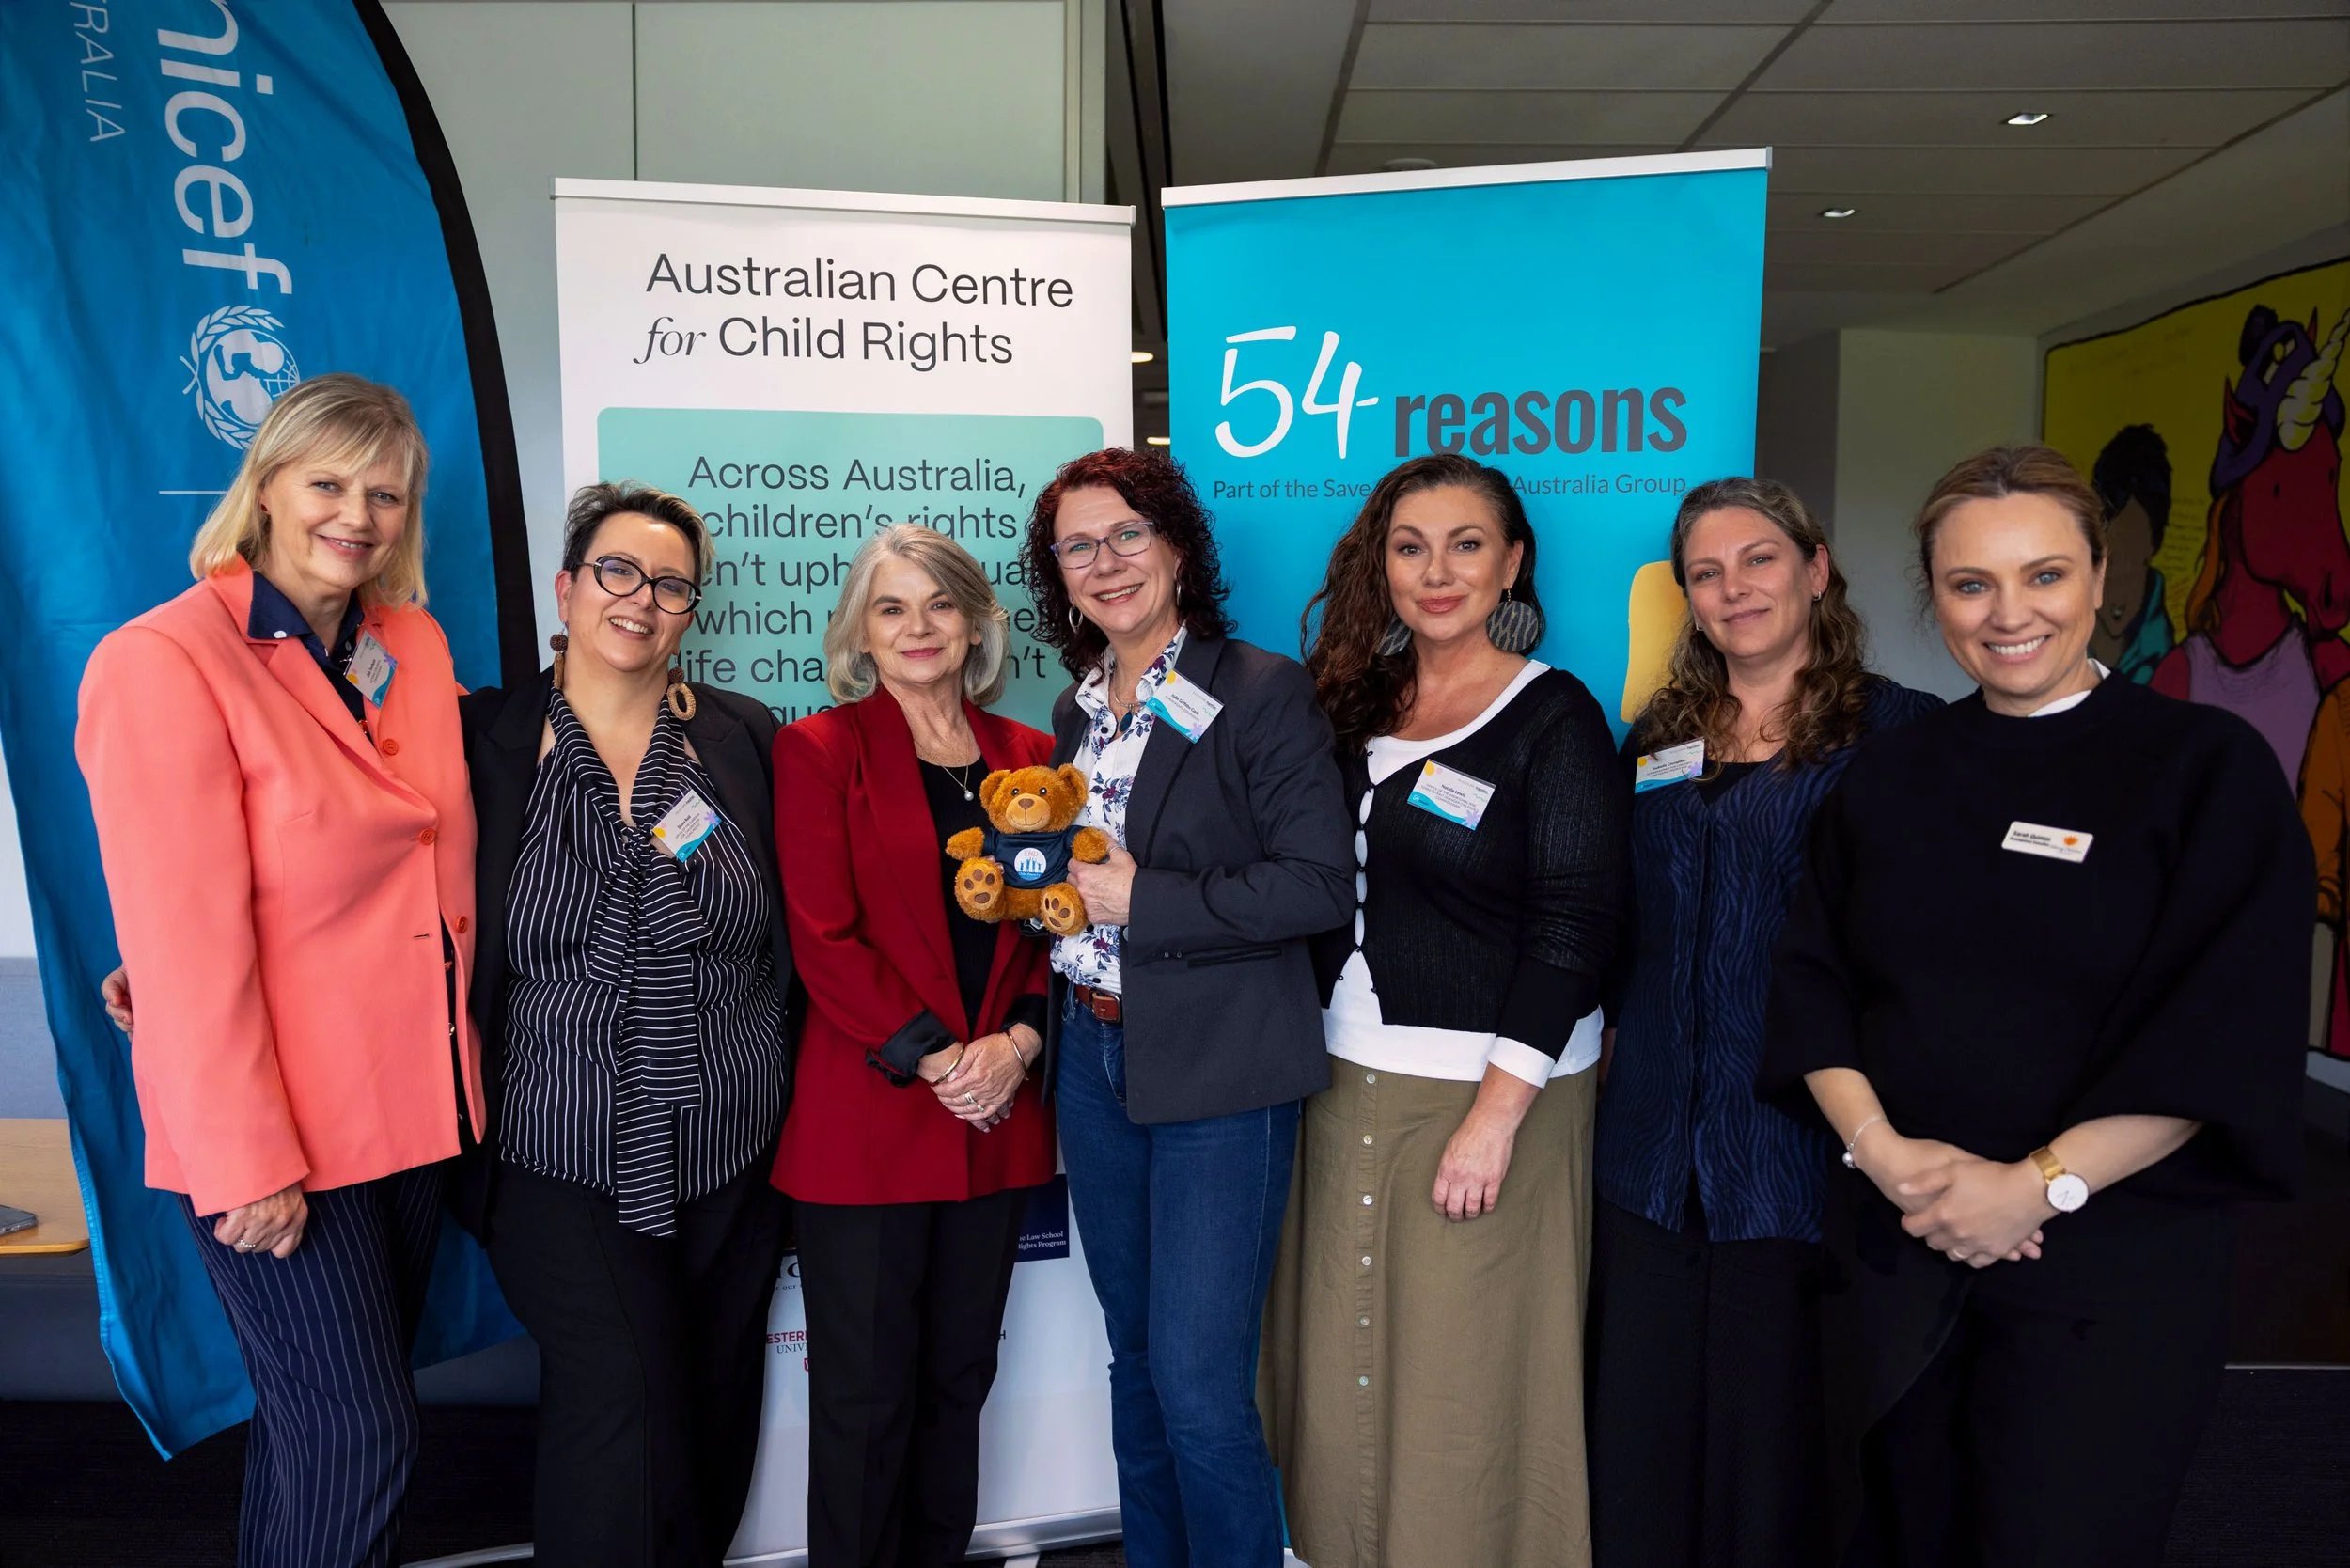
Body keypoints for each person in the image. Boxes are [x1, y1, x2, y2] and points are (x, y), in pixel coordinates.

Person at [1758, 446, 2311, 1567]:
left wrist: (2036, 1187)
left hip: (2112, 1269)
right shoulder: (1891, 775)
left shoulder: (2203, 768)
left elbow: (2219, 1024)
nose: (2009, 614)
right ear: (1934, 596)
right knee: (1897, 1530)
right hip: (1903, 1245)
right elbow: (1813, 977)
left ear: (2100, 577)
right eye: (1971, 585)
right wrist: (1882, 1154)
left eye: (2044, 576)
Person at [78, 374, 479, 1568]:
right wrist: (242, 1160)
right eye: (329, 483)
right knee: (357, 1432)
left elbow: (420, 837)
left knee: (322, 1437)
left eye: (386, 494)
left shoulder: (409, 642)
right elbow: (187, 935)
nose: (357, 514)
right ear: (264, 488)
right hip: (278, 1133)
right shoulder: (163, 660)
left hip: (417, 1108)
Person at [1262, 453, 1627, 1568]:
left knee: (1463, 1379)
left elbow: (1574, 924)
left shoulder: (1550, 715)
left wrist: (1495, 1114)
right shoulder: (1349, 702)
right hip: (1340, 1084)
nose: (1436, 571)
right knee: (1341, 1360)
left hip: (1488, 1097)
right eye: (1410, 545)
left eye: (1466, 544)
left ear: (1511, 560)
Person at [1585, 478, 1939, 1568]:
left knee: (1777, 1439)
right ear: (1686, 597)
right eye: (1706, 571)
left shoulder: (1898, 734)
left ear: (1814, 570)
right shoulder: (1659, 732)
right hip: (1646, 1140)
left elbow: (1926, 950)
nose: (1733, 588)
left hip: (1799, 1145)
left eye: (1759, 560)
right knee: (1639, 1426)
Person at [1021, 447, 1352, 1568]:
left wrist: (1137, 897)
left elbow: (1316, 886)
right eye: (1078, 544)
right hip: (1094, 1062)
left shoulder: (1259, 689)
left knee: (1204, 1389)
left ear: (1174, 547)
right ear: (1056, 570)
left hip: (1222, 1074)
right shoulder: (1071, 714)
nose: (1106, 562)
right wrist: (1057, 912)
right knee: (1139, 1365)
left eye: (1127, 535)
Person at [458, 483, 793, 1567]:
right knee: (624, 1406)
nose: (641, 600)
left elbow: (806, 919)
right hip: (559, 1150)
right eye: (617, 571)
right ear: (566, 587)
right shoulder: (482, 740)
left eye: (670, 584)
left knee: (709, 1412)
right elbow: (349, 873)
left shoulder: (739, 740)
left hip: (731, 1150)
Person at [771, 525, 1057, 1568]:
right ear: (860, 630)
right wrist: (942, 1060)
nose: (918, 627)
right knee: (863, 1396)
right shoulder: (819, 751)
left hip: (995, 1120)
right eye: (891, 608)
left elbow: (1053, 933)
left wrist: (1018, 1046)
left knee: (956, 1381)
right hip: (873, 1125)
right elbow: (823, 937)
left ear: (977, 621)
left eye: (939, 604)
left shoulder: (1030, 757)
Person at [2088, 424, 2175, 683]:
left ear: (2154, 543)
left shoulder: (2170, 654)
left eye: (2133, 536)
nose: (2118, 552)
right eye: (2110, 533)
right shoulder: (2060, 623)